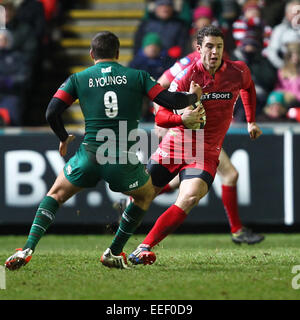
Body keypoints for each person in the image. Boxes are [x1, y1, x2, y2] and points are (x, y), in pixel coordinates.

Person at [4, 31, 202, 271]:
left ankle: (27, 248)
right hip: (122, 158)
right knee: (145, 195)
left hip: (89, 154)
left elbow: (51, 112)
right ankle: (114, 251)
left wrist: (63, 137)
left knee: (55, 195)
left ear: (91, 54)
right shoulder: (137, 76)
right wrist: (193, 96)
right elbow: (170, 100)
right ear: (118, 53)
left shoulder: (78, 78)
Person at [128, 25, 263, 266]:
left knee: (191, 196)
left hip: (207, 148)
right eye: (210, 46)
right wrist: (180, 117)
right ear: (198, 48)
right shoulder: (185, 74)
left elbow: (248, 86)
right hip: (177, 142)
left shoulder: (237, 70)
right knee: (143, 196)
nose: (215, 52)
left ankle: (144, 247)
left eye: (219, 47)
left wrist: (251, 120)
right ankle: (118, 242)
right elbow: (160, 109)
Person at [265, 0, 300, 69]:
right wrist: (283, 67)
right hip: (285, 69)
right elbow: (272, 52)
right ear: (287, 14)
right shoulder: (279, 30)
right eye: (294, 12)